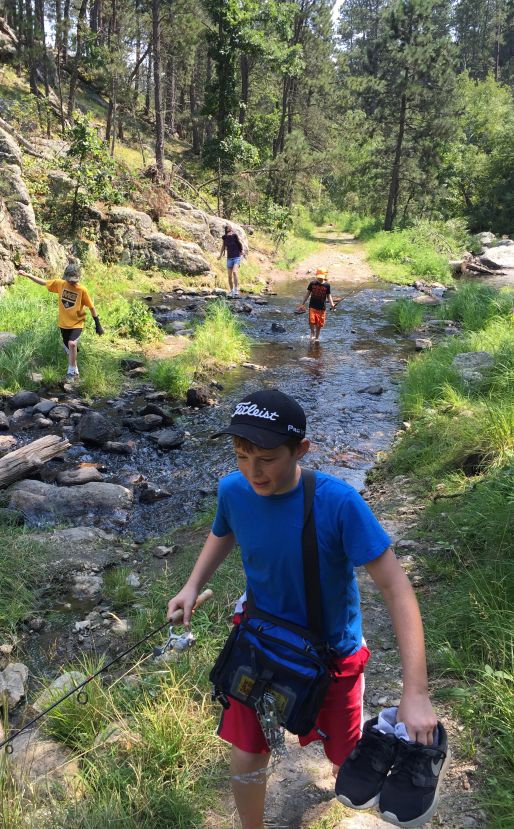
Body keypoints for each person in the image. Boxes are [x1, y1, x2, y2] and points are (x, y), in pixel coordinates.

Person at [167, 389, 446, 829]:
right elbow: (225, 531)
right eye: (241, 455)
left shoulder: (338, 504)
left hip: (332, 653)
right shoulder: (233, 490)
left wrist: (416, 692)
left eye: (266, 458)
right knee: (247, 745)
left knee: (345, 756)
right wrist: (192, 584)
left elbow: (395, 587)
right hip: (258, 644)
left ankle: (341, 780)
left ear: (300, 450)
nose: (252, 471)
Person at [16, 262, 103, 380]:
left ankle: (70, 373)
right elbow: (43, 282)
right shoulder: (60, 284)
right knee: (69, 350)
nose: (72, 282)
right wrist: (27, 275)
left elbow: (91, 307)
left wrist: (98, 325)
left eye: (74, 280)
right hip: (63, 323)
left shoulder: (82, 290)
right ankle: (76, 374)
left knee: (72, 344)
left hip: (77, 323)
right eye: (69, 280)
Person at [301, 267, 335, 343]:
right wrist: (302, 304)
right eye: (319, 278)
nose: (320, 279)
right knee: (311, 320)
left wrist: (332, 304)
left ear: (325, 276)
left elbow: (329, 296)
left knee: (319, 324)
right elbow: (307, 294)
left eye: (321, 278)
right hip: (312, 305)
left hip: (321, 307)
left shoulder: (327, 285)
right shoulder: (312, 284)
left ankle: (316, 337)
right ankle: (312, 332)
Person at [218, 224, 245, 297]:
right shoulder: (224, 237)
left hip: (237, 256)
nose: (229, 233)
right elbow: (223, 246)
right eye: (227, 232)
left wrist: (242, 250)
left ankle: (236, 290)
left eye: (229, 231)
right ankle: (231, 291)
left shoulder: (235, 236)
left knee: (235, 272)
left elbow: (241, 243)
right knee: (229, 275)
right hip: (229, 257)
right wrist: (220, 255)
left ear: (232, 230)